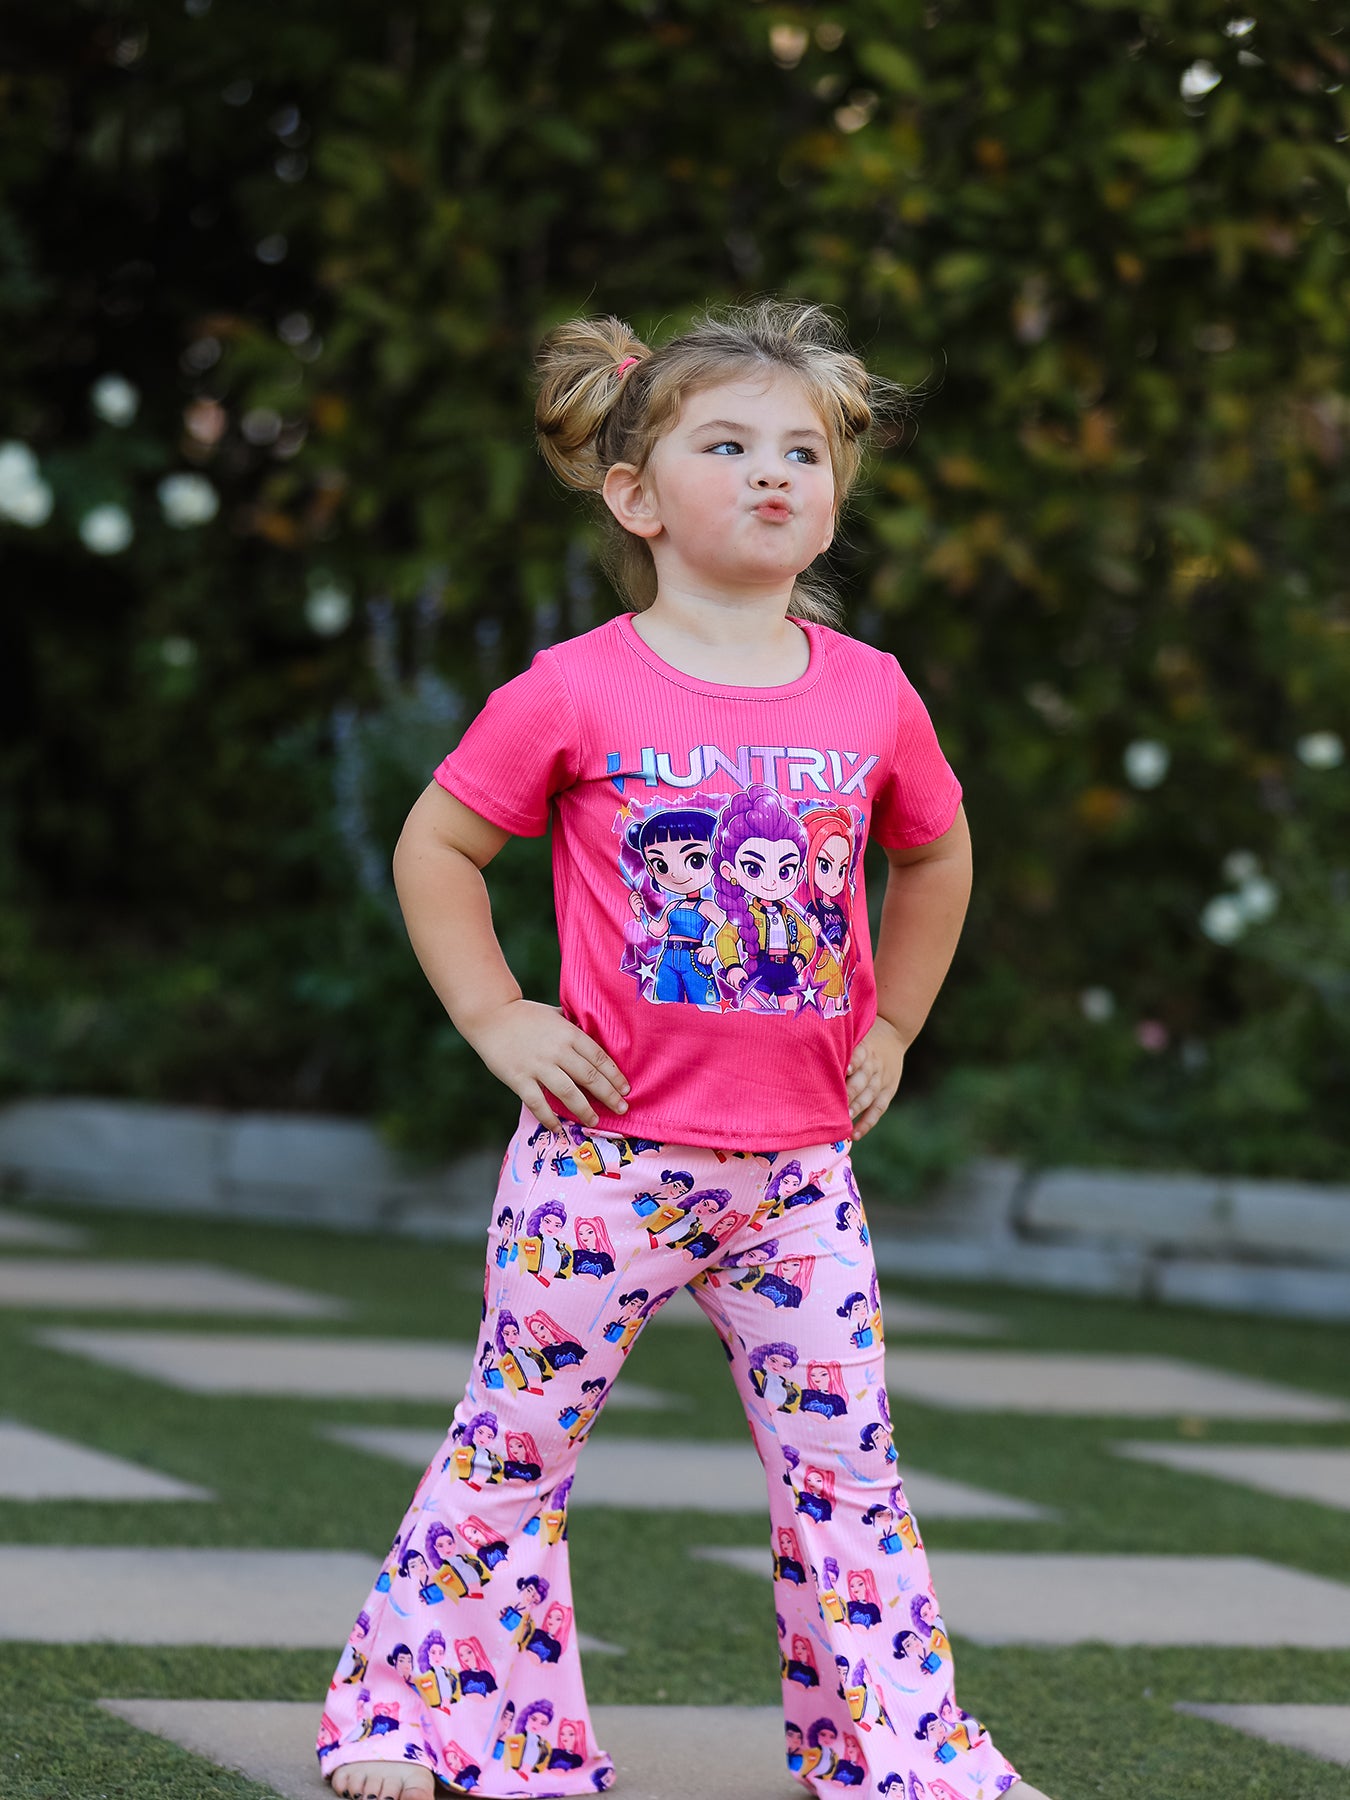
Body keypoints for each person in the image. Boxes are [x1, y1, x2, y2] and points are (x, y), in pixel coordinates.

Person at [319, 299, 1054, 1800]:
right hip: (603, 1165)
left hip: (798, 1181)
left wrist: (894, 1024)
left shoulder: (873, 694)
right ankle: (420, 1722)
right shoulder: (575, 686)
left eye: (802, 452)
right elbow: (437, 845)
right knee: (514, 1443)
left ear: (832, 497)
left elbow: (937, 855)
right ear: (635, 495)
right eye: (726, 446)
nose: (772, 473)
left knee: (849, 1475)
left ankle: (897, 1754)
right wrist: (496, 1014)